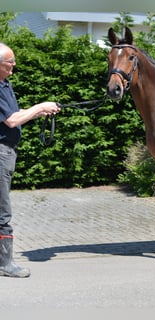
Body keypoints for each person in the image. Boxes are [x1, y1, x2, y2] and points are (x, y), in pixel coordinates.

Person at [0, 42, 61, 278]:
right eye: (9, 64)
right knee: (3, 212)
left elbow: (13, 115)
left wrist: (39, 112)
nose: (13, 67)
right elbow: (12, 121)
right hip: (2, 152)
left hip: (7, 151)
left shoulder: (5, 84)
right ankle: (5, 264)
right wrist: (39, 107)